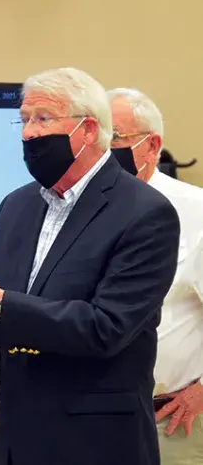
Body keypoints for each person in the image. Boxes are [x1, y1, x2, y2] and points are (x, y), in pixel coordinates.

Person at [0, 67, 181, 465]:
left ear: (88, 130)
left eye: (44, 118)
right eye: (25, 119)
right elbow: (2, 317)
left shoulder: (145, 212)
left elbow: (106, 328)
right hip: (18, 435)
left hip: (97, 441)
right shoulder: (18, 205)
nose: (29, 133)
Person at [109, 87, 203, 464]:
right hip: (85, 420)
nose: (104, 150)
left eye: (116, 137)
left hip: (170, 419)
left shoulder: (195, 211)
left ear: (152, 145)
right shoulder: (74, 211)